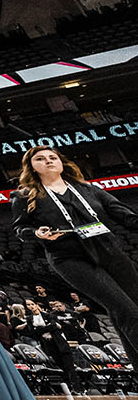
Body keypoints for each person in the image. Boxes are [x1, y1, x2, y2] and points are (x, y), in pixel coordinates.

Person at [12, 145, 138, 372]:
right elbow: (20, 229)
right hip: (69, 258)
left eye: (53, 157)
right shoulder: (24, 196)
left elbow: (123, 214)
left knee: (125, 312)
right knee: (126, 311)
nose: (49, 161)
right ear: (32, 167)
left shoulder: (87, 189)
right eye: (40, 159)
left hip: (109, 252)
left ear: (61, 163)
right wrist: (36, 234)